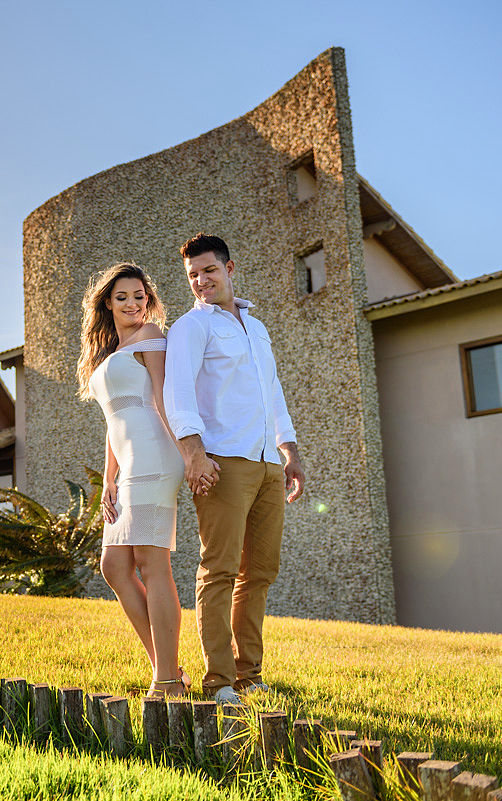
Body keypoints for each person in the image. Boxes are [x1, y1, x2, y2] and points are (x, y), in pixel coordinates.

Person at [164, 233, 305, 704]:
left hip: (267, 463)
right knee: (219, 569)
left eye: (208, 270)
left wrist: (291, 451)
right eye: (193, 275)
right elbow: (178, 391)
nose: (201, 281)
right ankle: (219, 681)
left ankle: (251, 675)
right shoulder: (191, 326)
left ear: (229, 268)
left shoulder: (257, 327)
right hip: (222, 462)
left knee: (261, 572)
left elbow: (274, 393)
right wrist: (194, 454)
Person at [76, 263, 188, 698]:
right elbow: (113, 421)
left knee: (150, 562)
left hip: (156, 456)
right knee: (113, 566)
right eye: (123, 297)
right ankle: (168, 670)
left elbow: (162, 398)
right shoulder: (108, 354)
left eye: (139, 296)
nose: (133, 304)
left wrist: (191, 456)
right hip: (128, 466)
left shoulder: (151, 337)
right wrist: (108, 478)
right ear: (107, 302)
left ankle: (166, 680)